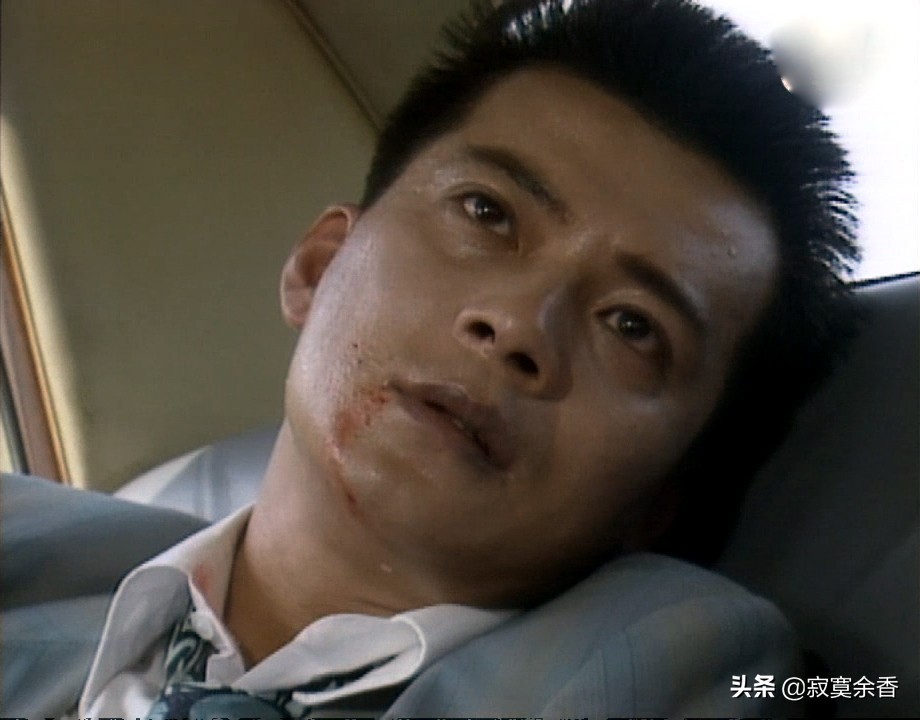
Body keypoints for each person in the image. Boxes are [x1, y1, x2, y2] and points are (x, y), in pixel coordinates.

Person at [1, 0, 859, 716]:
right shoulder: (33, 566)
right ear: (320, 266)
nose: (518, 325)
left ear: (661, 501)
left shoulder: (677, 666)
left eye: (633, 326)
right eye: (487, 213)